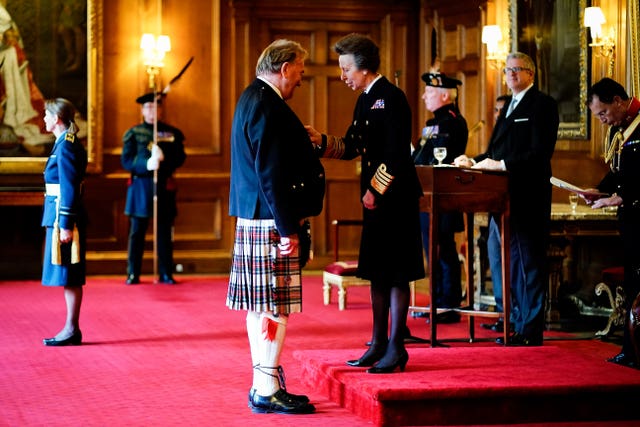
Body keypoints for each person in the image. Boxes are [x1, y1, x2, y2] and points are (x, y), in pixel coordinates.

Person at [306, 33, 425, 373]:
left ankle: (396, 347)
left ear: (364, 67)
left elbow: (397, 154)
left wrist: (375, 189)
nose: (343, 76)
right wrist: (322, 143)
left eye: (346, 69)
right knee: (377, 272)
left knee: (397, 272)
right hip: (375, 202)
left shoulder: (392, 97)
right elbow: (353, 144)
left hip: (395, 198)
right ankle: (377, 343)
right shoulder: (364, 100)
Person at [227, 39, 324, 414]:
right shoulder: (268, 104)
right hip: (270, 218)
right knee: (273, 306)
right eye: (299, 72)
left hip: (257, 216)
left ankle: (262, 383)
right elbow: (270, 173)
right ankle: (266, 388)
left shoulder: (253, 97)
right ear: (284, 68)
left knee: (261, 306)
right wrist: (288, 229)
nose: (299, 80)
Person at [454, 52, 559, 346]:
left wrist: (501, 166)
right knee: (511, 267)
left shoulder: (542, 105)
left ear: (531, 74)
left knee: (528, 265)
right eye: (507, 70)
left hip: (528, 198)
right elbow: (494, 152)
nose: (511, 74)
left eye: (518, 70)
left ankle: (530, 330)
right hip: (501, 200)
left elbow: (539, 153)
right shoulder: (509, 106)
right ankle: (514, 324)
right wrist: (472, 162)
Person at [582, 77, 640, 369]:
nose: (602, 121)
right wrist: (599, 190)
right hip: (630, 222)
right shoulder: (621, 129)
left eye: (603, 113)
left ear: (618, 101)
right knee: (632, 285)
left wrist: (619, 198)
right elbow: (619, 172)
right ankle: (631, 349)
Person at [412, 71, 468, 324]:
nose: (424, 95)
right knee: (430, 250)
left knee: (444, 249)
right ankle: (436, 300)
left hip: (444, 195)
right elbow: (423, 157)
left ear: (445, 95)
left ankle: (449, 303)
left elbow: (442, 158)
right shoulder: (431, 122)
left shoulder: (454, 122)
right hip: (426, 195)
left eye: (430, 92)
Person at [121, 93, 186, 285]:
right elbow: (126, 160)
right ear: (142, 110)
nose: (152, 111)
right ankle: (133, 273)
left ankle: (166, 272)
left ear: (161, 110)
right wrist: (146, 163)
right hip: (141, 186)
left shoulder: (172, 133)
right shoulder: (133, 133)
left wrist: (164, 159)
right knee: (137, 232)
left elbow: (180, 158)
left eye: (156, 107)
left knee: (164, 232)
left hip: (164, 186)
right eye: (148, 107)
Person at [41, 98, 87, 346]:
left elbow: (69, 187)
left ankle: (71, 329)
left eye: (46, 115)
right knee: (67, 274)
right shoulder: (63, 143)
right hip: (59, 214)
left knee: (70, 273)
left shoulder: (67, 146)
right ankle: (71, 327)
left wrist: (66, 224)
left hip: (64, 216)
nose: (44, 119)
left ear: (57, 118)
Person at [480, 94, 514, 333]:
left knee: (510, 263)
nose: (498, 114)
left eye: (503, 110)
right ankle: (503, 314)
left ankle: (514, 316)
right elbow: (488, 157)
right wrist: (470, 162)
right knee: (495, 258)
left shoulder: (515, 135)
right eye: (496, 110)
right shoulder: (497, 134)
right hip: (493, 206)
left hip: (512, 204)